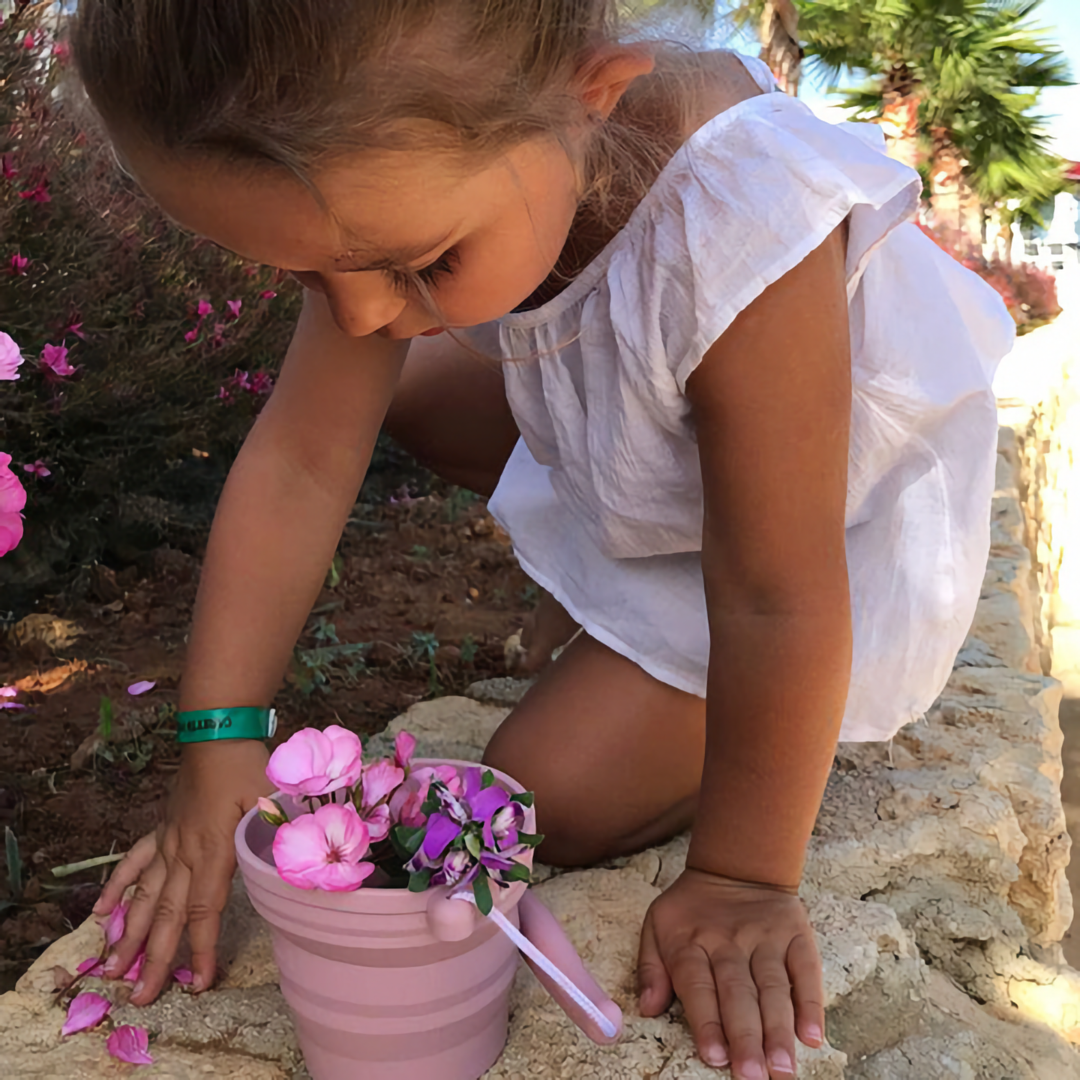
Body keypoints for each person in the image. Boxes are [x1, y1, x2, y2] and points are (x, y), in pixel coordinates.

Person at [70, 3, 1014, 1078]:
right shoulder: (417, 178)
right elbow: (299, 461)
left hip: (820, 541)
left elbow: (773, 593)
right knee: (413, 394)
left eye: (419, 264)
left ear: (590, 92)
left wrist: (745, 881)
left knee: (542, 792)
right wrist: (217, 746)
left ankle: (649, 644)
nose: (365, 315)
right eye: (307, 274)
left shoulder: (745, 215)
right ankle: (608, 571)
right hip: (688, 463)